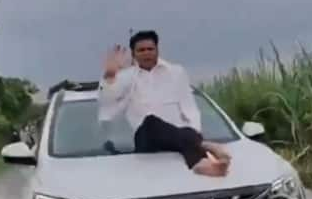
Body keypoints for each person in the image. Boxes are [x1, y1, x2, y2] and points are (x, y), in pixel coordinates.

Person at [98, 30, 231, 177]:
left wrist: (196, 133)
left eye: (150, 49)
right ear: (133, 54)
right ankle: (203, 148)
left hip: (180, 140)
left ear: (157, 50)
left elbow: (189, 107)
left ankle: (202, 164)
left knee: (186, 132)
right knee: (151, 121)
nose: (146, 53)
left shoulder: (176, 72)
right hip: (146, 142)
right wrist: (110, 76)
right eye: (141, 50)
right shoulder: (126, 77)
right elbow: (107, 101)